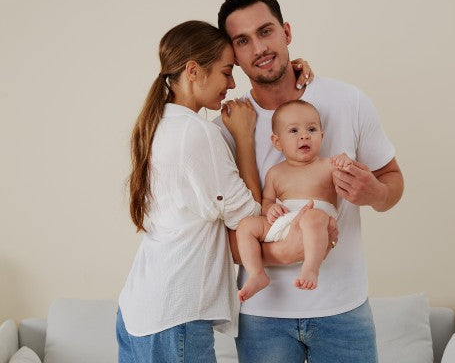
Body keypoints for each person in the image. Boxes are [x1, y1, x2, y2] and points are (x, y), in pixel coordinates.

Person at [215, 0, 404, 363]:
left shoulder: (347, 101)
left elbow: (392, 180)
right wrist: (283, 252)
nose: (259, 48)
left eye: (266, 31)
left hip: (343, 309)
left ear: (286, 32)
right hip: (262, 317)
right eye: (243, 41)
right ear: (233, 55)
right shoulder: (227, 127)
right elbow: (223, 240)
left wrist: (376, 194)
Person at [116, 20, 316, 363]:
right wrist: (243, 136)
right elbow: (249, 214)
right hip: (174, 316)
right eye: (226, 72)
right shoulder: (197, 134)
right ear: (193, 71)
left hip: (139, 310)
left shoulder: (159, 125)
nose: (232, 83)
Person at [236, 100, 354, 301]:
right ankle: (256, 274)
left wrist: (346, 162)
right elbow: (267, 202)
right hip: (285, 222)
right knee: (246, 226)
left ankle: (311, 267)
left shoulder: (329, 165)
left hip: (317, 220)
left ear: (322, 136)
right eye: (293, 130)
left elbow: (353, 177)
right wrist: (271, 209)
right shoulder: (275, 173)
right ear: (277, 142)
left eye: (311, 129)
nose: (304, 135)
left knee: (313, 217)